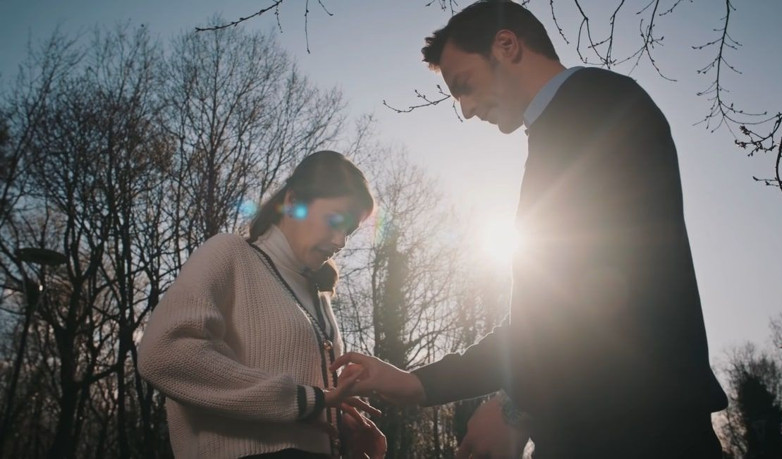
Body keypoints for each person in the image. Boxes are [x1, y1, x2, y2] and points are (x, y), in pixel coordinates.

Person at [331, 1, 728, 458]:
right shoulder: (563, 126)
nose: (465, 109)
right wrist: (419, 383)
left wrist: (515, 408)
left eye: (464, 85)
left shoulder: (598, 108)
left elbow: (596, 295)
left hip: (640, 432)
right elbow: (549, 312)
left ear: (506, 45)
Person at [138, 151, 386, 459]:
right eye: (335, 221)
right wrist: (305, 400)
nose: (340, 241)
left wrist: (344, 431)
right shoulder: (229, 254)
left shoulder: (319, 295)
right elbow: (165, 353)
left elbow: (312, 404)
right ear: (294, 202)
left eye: (350, 231)